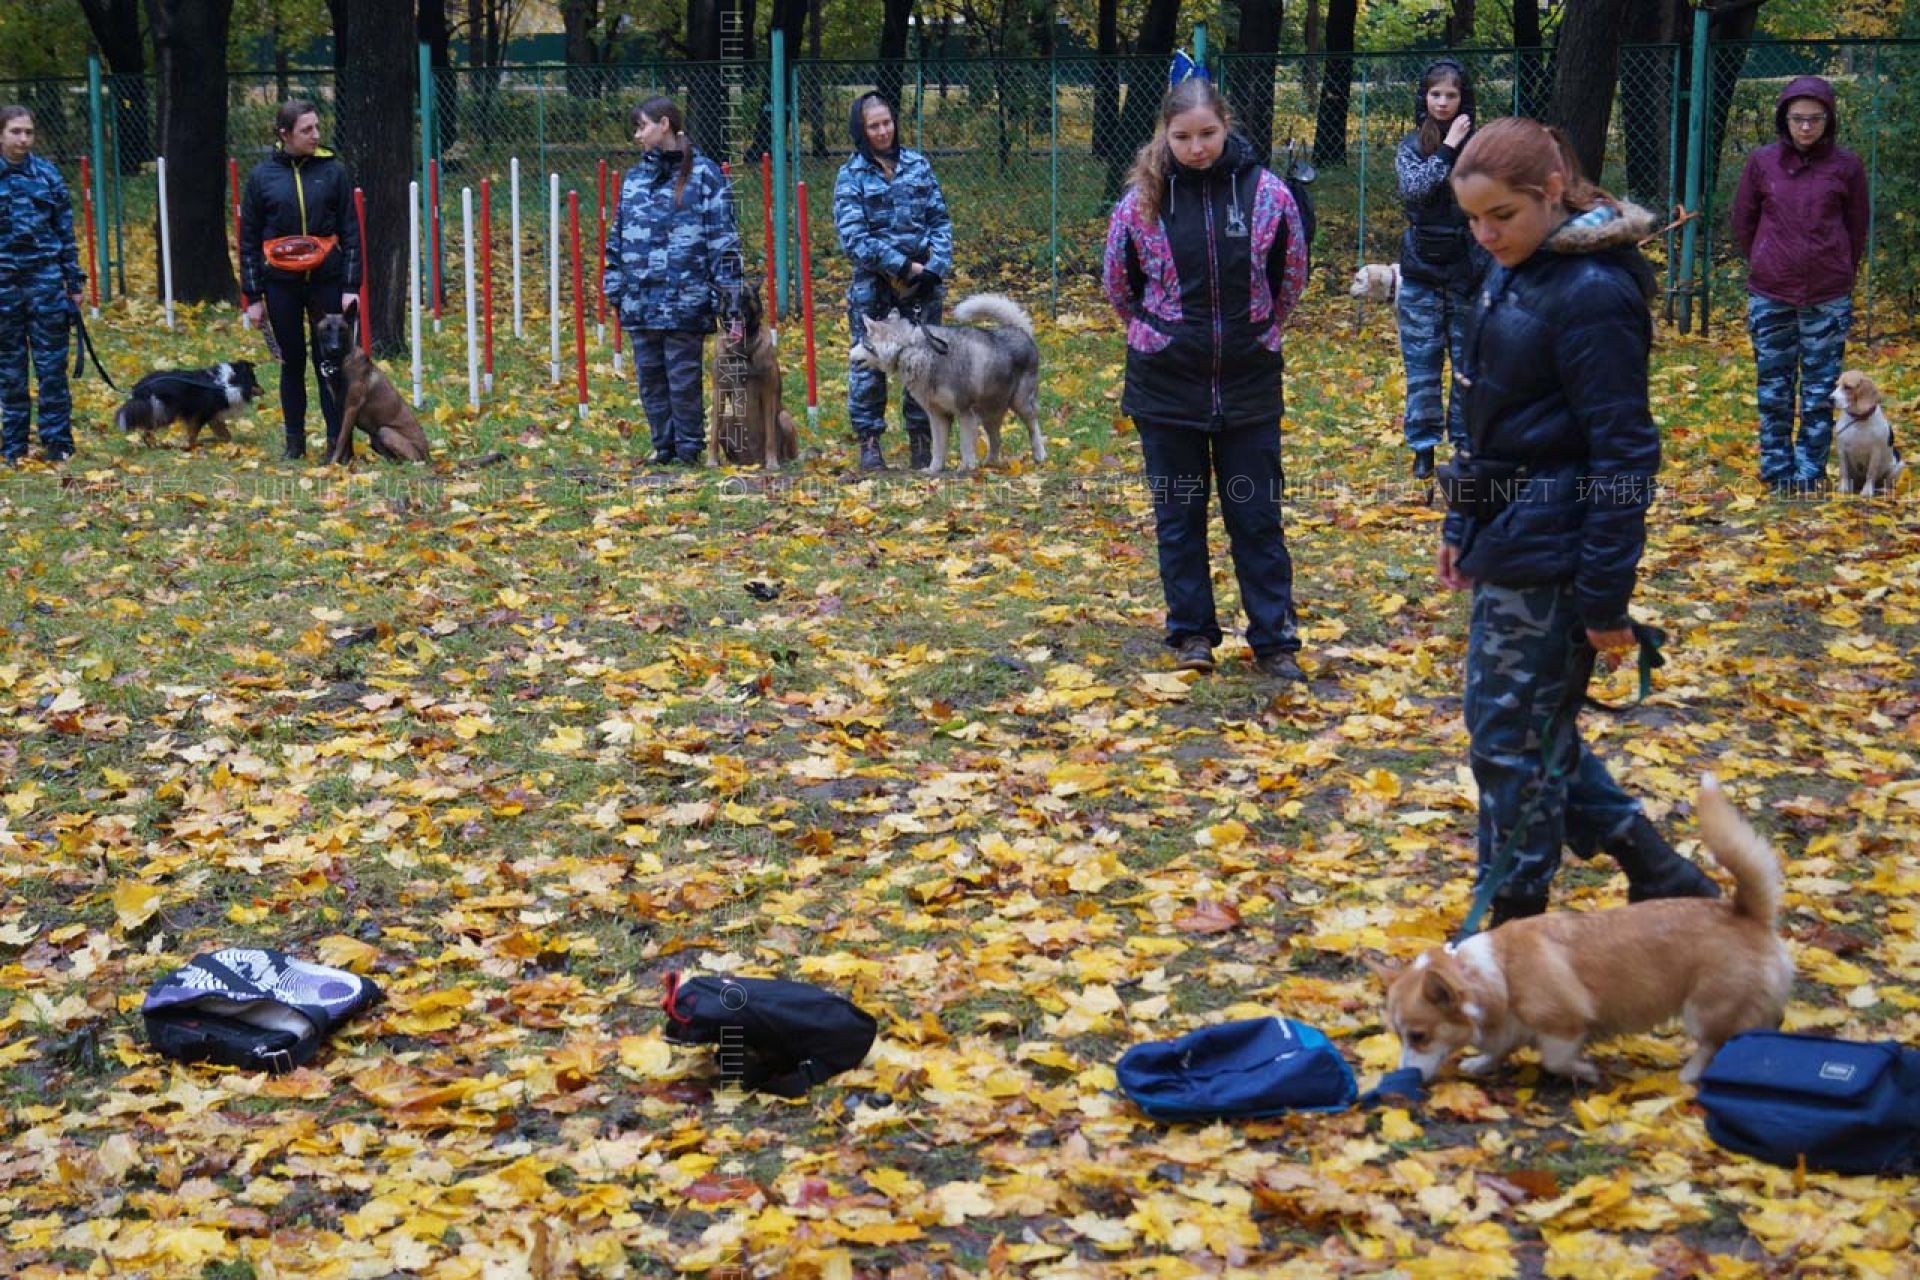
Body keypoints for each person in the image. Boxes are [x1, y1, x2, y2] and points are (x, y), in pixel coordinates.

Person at [1438, 117, 1719, 925]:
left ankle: (1516, 925)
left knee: (1509, 743)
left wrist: (1601, 597)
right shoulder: (1513, 272)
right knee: (1528, 732)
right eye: (1473, 220)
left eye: (1502, 216)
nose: (1486, 236)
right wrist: (1463, 523)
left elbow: (1624, 455)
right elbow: (1492, 418)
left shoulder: (1593, 294)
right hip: (1511, 537)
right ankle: (1656, 868)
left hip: (1560, 553)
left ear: (1552, 192)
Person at [1101, 65, 1309, 682]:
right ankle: (1192, 632)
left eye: (1208, 134)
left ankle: (1274, 639)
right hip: (1166, 385)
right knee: (1179, 514)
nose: (1197, 149)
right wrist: (1152, 331)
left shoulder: (1268, 194)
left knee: (1257, 515)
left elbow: (1290, 272)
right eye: (1184, 137)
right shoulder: (1141, 202)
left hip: (1248, 381)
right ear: (1165, 134)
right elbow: (1119, 282)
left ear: (1226, 128)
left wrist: (1263, 328)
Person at [1730, 76, 1868, 495]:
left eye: (1815, 119)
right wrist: (1765, 258)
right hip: (1771, 292)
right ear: (1783, 120)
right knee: (1773, 387)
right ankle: (1776, 469)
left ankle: (1809, 471)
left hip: (1827, 295)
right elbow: (1743, 221)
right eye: (1797, 119)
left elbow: (1856, 226)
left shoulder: (1847, 166)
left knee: (1820, 389)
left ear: (1829, 120)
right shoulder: (1762, 162)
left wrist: (1839, 266)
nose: (1806, 127)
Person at [604, 96, 741, 465]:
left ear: (664, 124)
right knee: (650, 378)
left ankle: (688, 449)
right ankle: (663, 446)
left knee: (682, 379)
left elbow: (723, 240)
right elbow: (617, 236)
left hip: (686, 298)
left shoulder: (705, 174)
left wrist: (728, 298)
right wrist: (614, 285)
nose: (637, 135)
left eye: (642, 126)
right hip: (640, 299)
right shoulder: (635, 178)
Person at [833, 92, 952, 471]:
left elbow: (940, 220)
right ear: (861, 130)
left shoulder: (918, 165)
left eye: (887, 122)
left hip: (923, 285)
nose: (883, 131)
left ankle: (922, 438)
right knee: (868, 362)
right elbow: (854, 239)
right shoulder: (851, 176)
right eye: (874, 126)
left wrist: (935, 265)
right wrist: (903, 267)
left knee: (924, 360)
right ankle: (869, 443)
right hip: (876, 286)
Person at [240, 99, 361, 462]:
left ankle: (336, 444)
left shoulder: (333, 172)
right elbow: (248, 240)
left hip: (327, 281)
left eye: (317, 127)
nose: (315, 135)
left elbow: (351, 232)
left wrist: (351, 287)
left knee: (330, 362)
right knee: (292, 361)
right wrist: (253, 296)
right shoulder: (262, 177)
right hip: (280, 285)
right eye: (306, 130)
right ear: (284, 134)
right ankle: (294, 443)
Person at [1394, 59, 1487, 480]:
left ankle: (1465, 444)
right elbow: (1415, 189)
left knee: (1468, 364)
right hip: (1421, 272)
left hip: (1468, 270)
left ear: (1463, 98)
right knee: (1422, 364)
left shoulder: (1482, 147)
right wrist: (1448, 147)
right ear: (1424, 98)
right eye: (1436, 95)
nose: (1443, 102)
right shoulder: (1412, 147)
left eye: (1451, 95)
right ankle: (1423, 446)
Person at [0, 105, 84, 466]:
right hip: (3, 287)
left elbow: (65, 232)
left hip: (46, 284)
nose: (23, 139)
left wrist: (73, 280)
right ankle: (13, 445)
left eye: (29, 132)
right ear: (1, 134)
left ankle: (57, 442)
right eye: (16, 132)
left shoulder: (48, 176)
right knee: (10, 370)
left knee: (52, 368)